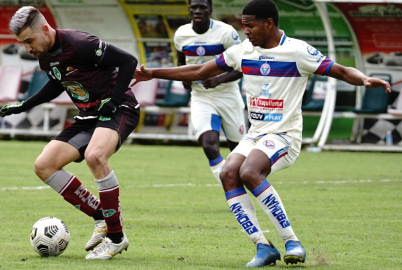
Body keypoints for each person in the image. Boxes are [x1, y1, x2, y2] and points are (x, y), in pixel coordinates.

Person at [132, 0, 391, 267]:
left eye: (250, 25)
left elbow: (340, 70)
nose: (245, 31)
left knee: (249, 172)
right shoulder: (243, 51)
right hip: (256, 135)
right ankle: (262, 246)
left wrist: (363, 79)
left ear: (269, 23)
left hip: (285, 136)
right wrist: (152, 72)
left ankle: (292, 241)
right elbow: (199, 70)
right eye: (243, 25)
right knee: (228, 172)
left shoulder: (297, 51)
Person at [1, 6, 140, 260]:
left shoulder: (80, 43)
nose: (27, 49)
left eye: (29, 41)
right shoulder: (44, 54)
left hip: (119, 109)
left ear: (45, 29)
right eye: (22, 43)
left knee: (96, 156)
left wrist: (114, 99)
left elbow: (128, 61)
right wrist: (24, 104)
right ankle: (100, 217)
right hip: (88, 117)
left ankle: (116, 237)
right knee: (44, 165)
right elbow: (57, 83)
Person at [174, 0, 246, 186]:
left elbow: (242, 67)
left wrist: (218, 79)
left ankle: (242, 185)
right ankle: (232, 188)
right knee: (208, 144)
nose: (198, 11)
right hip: (201, 97)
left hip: (228, 95)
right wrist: (185, 80)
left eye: (202, 7)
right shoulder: (181, 34)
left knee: (238, 152)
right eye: (194, 7)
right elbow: (181, 66)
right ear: (189, 9)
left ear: (210, 10)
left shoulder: (226, 32)